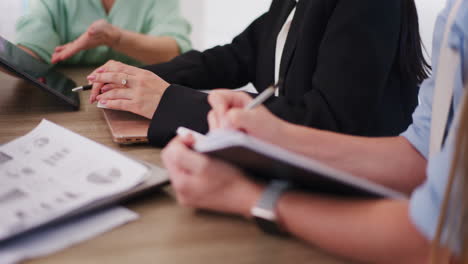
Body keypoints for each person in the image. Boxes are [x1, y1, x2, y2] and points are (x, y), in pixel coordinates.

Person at [160, 0, 468, 263]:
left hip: (364, 211)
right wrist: (273, 133)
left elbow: (439, 238)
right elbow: (421, 156)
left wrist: (247, 197)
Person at [86, 0, 429, 147]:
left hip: (358, 194)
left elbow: (326, 120)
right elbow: (235, 57)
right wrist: (137, 76)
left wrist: (167, 101)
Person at [15, 0, 191, 66]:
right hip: (62, 103)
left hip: (134, 98)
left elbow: (173, 52)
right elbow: (30, 51)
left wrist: (117, 38)